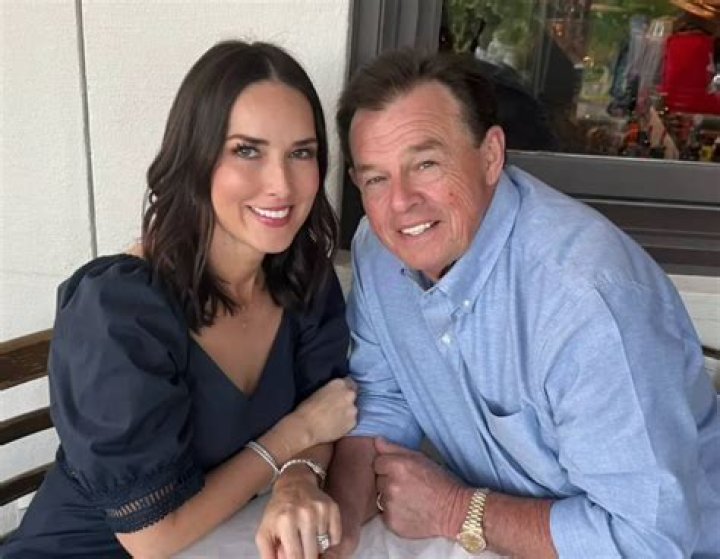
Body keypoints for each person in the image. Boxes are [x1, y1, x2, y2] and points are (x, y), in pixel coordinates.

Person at [324, 49, 720, 558]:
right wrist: (337, 530)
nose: (401, 203)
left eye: (426, 164)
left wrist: (455, 510)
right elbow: (383, 400)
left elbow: (649, 540)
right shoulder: (379, 251)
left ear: (491, 156)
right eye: (376, 178)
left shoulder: (586, 302)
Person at [4, 40, 357, 559]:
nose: (281, 184)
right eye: (247, 150)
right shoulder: (120, 311)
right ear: (197, 157)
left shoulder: (303, 281)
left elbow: (330, 410)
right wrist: (292, 437)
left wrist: (298, 478)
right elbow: (153, 535)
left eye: (301, 153)